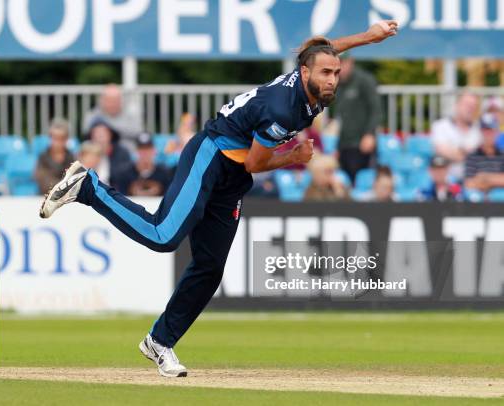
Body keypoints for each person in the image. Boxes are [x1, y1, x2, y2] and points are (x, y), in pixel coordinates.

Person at [39, 21, 398, 378]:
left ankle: (159, 341)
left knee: (210, 268)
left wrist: (369, 37)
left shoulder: (311, 79)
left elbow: (325, 50)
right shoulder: (283, 107)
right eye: (326, 73)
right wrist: (293, 157)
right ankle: (88, 188)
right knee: (163, 236)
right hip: (210, 155)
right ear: (305, 73)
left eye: (336, 72)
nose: (333, 79)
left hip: (232, 176)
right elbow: (258, 162)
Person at [333, 53, 381, 183]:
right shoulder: (337, 83)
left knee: (361, 182)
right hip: (345, 144)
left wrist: (370, 134)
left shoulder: (364, 80)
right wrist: (337, 147)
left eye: (342, 63)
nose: (339, 67)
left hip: (361, 143)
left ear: (351, 61)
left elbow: (376, 109)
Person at [430, 93, 482, 180]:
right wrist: (470, 154)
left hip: (473, 180)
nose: (470, 109)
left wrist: (456, 152)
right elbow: (442, 151)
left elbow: (484, 155)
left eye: (473, 106)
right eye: (467, 105)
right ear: (457, 105)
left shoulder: (480, 128)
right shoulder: (440, 126)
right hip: (447, 180)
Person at [464, 114, 504, 193]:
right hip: (478, 199)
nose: (488, 134)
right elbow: (468, 184)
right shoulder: (472, 155)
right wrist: (496, 180)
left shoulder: (502, 155)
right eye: (485, 131)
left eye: (491, 130)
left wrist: (485, 178)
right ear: (480, 132)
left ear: (497, 132)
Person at [34, 118, 75, 194]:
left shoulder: (71, 158)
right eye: (55, 138)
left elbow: (74, 180)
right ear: (50, 138)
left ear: (66, 139)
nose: (58, 142)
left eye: (61, 138)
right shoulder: (43, 157)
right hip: (45, 198)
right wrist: (63, 186)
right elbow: (43, 181)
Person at [88, 120, 132, 188]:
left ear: (110, 135)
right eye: (96, 134)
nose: (100, 138)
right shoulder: (86, 154)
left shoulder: (122, 153)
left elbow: (125, 176)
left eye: (102, 134)